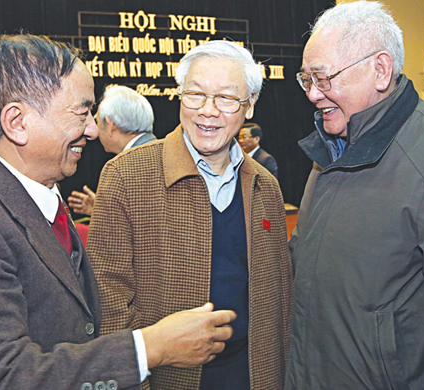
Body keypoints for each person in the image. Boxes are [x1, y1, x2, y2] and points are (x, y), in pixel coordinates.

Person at [0, 34, 236, 390]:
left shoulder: (40, 196)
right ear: (17, 122)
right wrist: (149, 348)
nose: (93, 129)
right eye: (82, 112)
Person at [287, 2, 424, 389]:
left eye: (323, 79)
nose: (313, 95)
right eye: (306, 79)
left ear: (380, 70)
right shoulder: (332, 148)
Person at [88, 40, 292, 390]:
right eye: (195, 95)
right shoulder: (126, 175)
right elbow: (108, 301)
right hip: (165, 379)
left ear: (250, 106)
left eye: (226, 99)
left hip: (251, 374)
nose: (207, 111)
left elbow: (278, 299)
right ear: (180, 95)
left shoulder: (265, 185)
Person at [68, 85, 156, 216]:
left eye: (97, 121)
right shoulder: (163, 154)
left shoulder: (123, 169)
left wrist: (105, 215)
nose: (95, 131)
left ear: (110, 126)